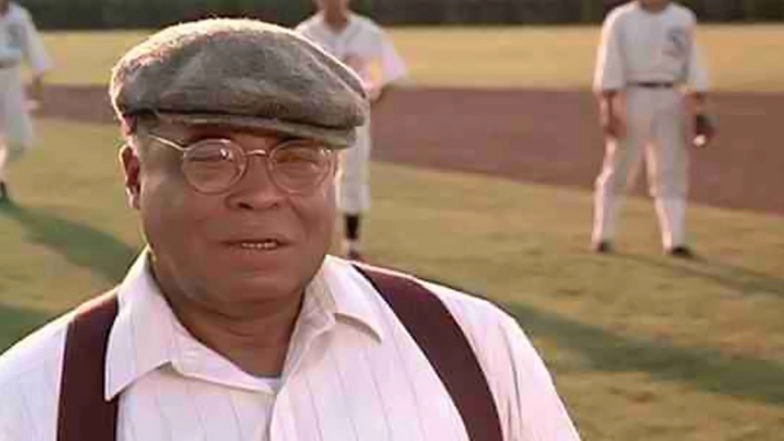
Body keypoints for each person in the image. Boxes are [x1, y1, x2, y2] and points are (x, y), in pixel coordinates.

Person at [0, 19, 580, 440]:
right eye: (212, 157)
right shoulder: (29, 402)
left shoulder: (473, 347)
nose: (260, 193)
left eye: (298, 157)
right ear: (135, 175)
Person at [591, 0, 715, 257]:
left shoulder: (682, 18)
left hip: (670, 95)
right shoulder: (621, 19)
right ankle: (603, 235)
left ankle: (675, 240)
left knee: (671, 168)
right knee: (620, 165)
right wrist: (608, 109)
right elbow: (609, 63)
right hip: (632, 95)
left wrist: (700, 110)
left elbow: (693, 64)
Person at [296, 0, 407, 261]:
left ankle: (352, 242)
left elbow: (389, 73)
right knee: (313, 176)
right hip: (317, 118)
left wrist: (370, 103)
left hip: (355, 117)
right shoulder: (305, 34)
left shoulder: (367, 32)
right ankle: (314, 239)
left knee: (354, 174)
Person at [0, 0, 50, 203]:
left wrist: (38, 84)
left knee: (20, 140)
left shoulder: (19, 17)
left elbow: (33, 50)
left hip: (10, 78)